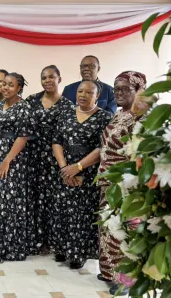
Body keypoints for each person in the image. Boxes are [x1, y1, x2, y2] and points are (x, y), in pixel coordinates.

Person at [97, 71, 149, 296]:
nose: (118, 93)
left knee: (126, 230)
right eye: (116, 89)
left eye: (124, 89)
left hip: (126, 183)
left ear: (138, 91)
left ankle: (126, 280)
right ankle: (109, 272)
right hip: (107, 182)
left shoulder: (142, 117)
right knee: (109, 228)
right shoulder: (119, 114)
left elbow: (141, 154)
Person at [51, 80, 113, 269]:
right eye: (80, 91)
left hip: (87, 171)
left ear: (97, 96)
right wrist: (64, 168)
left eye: (88, 92)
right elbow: (57, 141)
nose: (83, 95)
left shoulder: (105, 117)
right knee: (62, 209)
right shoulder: (66, 112)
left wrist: (77, 168)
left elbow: (102, 148)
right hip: (64, 170)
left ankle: (79, 253)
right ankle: (62, 248)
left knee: (82, 212)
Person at [0, 73, 34, 263]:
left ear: (19, 88)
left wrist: (7, 160)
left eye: (10, 85)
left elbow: (23, 136)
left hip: (14, 161)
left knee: (9, 203)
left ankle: (9, 248)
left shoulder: (24, 107)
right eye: (4, 84)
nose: (5, 88)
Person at [24, 65, 73, 254]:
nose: (47, 81)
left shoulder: (67, 105)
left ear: (59, 79)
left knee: (51, 200)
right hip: (32, 155)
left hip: (54, 158)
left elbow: (66, 136)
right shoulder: (32, 100)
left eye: (51, 77)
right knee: (32, 197)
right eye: (44, 78)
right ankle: (32, 237)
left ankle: (48, 240)